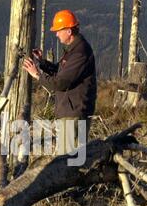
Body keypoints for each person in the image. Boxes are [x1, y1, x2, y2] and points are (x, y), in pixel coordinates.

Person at [23, 9, 97, 155]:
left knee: (71, 162)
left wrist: (37, 75)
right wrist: (42, 62)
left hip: (74, 114)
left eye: (59, 30)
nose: (56, 34)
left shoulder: (79, 53)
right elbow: (61, 71)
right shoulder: (74, 49)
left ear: (69, 31)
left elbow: (60, 83)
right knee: (69, 160)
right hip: (71, 112)